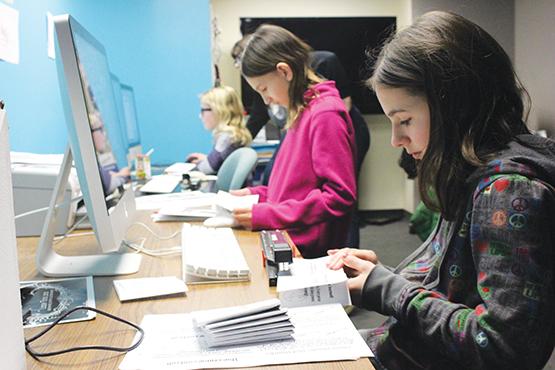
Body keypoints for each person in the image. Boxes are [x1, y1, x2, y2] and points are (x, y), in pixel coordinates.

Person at [327, 11, 555, 370]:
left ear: (455, 106)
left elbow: (503, 348)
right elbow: (453, 287)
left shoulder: (509, 190)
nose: (396, 140)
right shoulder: (472, 173)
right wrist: (383, 275)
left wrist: (388, 289)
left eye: (405, 121)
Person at [231, 24, 357, 258]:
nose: (266, 100)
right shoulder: (302, 110)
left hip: (307, 251)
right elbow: (293, 188)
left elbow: (338, 197)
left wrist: (266, 214)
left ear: (284, 71)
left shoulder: (325, 114)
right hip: (286, 237)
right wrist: (256, 195)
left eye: (264, 88)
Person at [186, 85, 252, 175]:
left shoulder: (227, 137)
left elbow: (207, 169)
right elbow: (219, 162)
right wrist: (206, 159)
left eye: (203, 110)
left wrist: (182, 171)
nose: (200, 116)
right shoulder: (235, 134)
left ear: (219, 111)